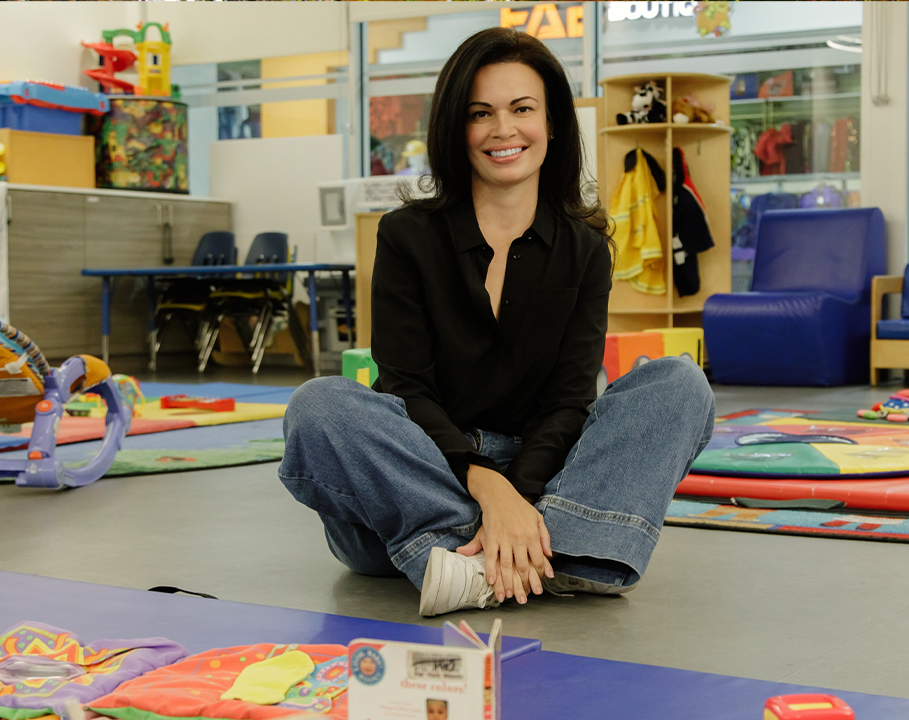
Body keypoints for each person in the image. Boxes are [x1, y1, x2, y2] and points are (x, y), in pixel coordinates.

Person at [279, 27, 715, 617]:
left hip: (540, 475)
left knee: (680, 385)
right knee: (320, 405)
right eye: (480, 113)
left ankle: (471, 563)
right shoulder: (406, 235)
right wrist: (489, 489)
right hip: (418, 474)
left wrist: (520, 494)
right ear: (456, 130)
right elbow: (406, 388)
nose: (503, 129)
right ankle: (553, 554)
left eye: (522, 109)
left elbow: (568, 402)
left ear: (553, 122)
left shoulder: (585, 248)